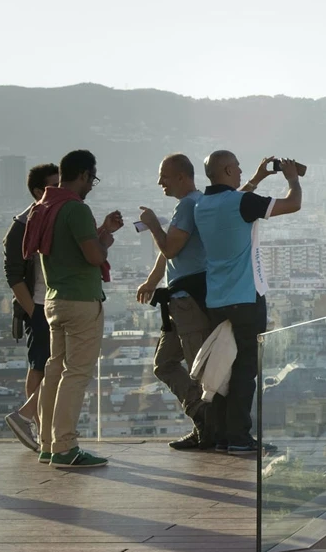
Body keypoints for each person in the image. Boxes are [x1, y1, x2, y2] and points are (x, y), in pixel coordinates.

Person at [194, 151, 301, 454]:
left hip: (216, 298)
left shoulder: (203, 205)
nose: (241, 172)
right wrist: (292, 179)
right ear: (227, 169)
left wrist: (257, 177)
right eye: (238, 168)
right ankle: (240, 437)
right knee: (244, 370)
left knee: (221, 367)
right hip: (246, 296)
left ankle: (221, 435)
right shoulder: (241, 203)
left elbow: (234, 201)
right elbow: (293, 204)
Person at [25, 149, 123, 468]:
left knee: (55, 369)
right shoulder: (75, 208)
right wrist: (103, 239)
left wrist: (103, 232)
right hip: (81, 300)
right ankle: (66, 446)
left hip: (53, 299)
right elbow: (93, 256)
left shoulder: (45, 206)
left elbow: (77, 248)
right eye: (91, 178)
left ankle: (48, 444)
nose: (91, 185)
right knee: (76, 373)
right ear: (82, 174)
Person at [135, 154, 213, 450]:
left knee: (198, 368)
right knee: (164, 363)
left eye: (164, 177)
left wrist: (154, 224)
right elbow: (172, 249)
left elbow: (168, 248)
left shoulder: (189, 205)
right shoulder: (197, 204)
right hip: (181, 300)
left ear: (182, 176)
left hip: (189, 303)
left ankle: (211, 425)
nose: (160, 183)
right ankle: (201, 416)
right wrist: (153, 280)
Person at [2, 163, 60, 451]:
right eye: (54, 185)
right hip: (39, 305)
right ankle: (34, 423)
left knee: (49, 365)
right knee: (41, 365)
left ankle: (40, 425)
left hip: (52, 303)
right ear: (38, 191)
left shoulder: (53, 217)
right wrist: (34, 310)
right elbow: (13, 274)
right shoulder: (21, 225)